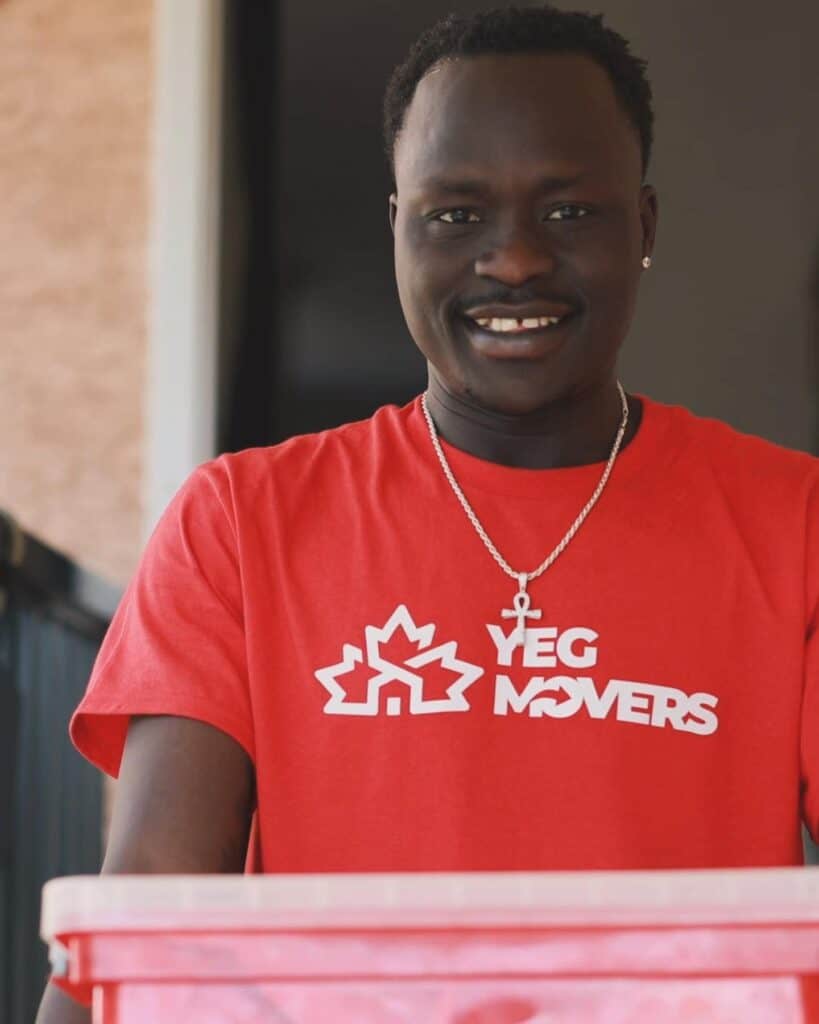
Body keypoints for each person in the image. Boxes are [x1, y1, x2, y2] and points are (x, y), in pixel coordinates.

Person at [37, 5, 819, 1021]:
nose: (516, 260)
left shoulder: (792, 521)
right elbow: (146, 915)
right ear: (397, 229)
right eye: (457, 213)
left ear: (645, 229)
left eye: (570, 210)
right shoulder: (241, 522)